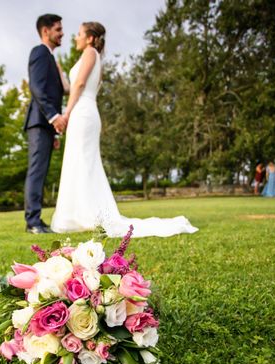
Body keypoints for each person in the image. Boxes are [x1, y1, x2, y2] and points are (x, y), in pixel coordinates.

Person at [50, 22, 198, 238]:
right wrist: (61, 72)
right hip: (82, 110)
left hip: (82, 112)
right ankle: (79, 213)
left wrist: (66, 113)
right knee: (78, 161)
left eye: (80, 34)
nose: (76, 38)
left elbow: (80, 85)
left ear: (90, 38)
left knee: (84, 161)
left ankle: (88, 214)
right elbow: (70, 87)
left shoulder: (90, 53)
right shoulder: (88, 56)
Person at [23, 14, 67, 234]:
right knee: (37, 171)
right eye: (58, 29)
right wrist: (53, 118)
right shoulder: (39, 53)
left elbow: (54, 93)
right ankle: (33, 222)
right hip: (39, 122)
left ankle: (37, 219)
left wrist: (56, 133)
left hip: (48, 126)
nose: (62, 34)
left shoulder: (51, 59)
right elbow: (38, 88)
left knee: (42, 172)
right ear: (45, 31)